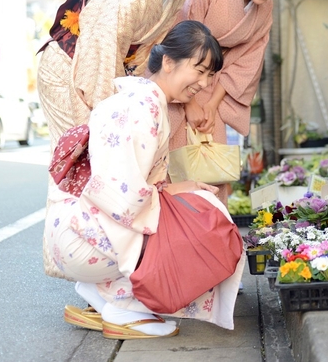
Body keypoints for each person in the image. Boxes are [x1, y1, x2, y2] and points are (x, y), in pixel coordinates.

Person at [37, 0, 220, 278]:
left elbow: (141, 60)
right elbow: (98, 61)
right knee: (87, 163)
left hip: (105, 72)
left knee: (109, 170)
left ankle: (101, 271)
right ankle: (84, 268)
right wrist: (113, 121)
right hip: (71, 74)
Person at [46, 20, 245, 339]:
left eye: (210, 75)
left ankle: (101, 293)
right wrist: (178, 206)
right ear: (168, 62)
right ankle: (121, 308)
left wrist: (180, 190)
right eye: (200, 70)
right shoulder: (144, 108)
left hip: (72, 232)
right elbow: (121, 195)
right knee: (196, 231)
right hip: (83, 242)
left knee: (190, 205)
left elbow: (130, 183)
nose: (204, 83)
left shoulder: (136, 98)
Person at [137, 0, 297, 204]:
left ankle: (210, 236)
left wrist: (211, 104)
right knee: (172, 164)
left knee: (211, 171)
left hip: (213, 92)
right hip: (180, 83)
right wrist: (189, 104)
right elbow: (179, 40)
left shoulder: (264, 10)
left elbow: (248, 60)